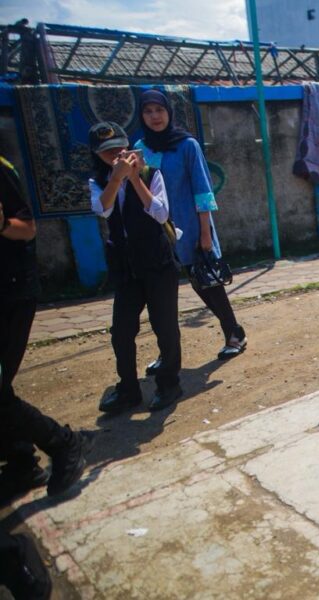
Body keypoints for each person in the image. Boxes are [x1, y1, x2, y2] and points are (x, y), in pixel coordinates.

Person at [135, 90, 247, 368]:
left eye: (159, 110)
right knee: (160, 295)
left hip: (190, 226)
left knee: (206, 284)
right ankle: (167, 353)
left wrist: (205, 233)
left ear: (169, 112)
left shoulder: (187, 145)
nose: (155, 117)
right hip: (155, 232)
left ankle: (234, 332)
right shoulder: (140, 148)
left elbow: (202, 189)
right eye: (148, 112)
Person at [1, 155, 90, 503]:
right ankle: (22, 462)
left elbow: (26, 227)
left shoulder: (2, 171)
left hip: (9, 292)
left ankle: (63, 443)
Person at [89, 122, 183, 412]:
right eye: (108, 152)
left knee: (164, 325)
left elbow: (160, 212)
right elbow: (102, 209)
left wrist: (133, 179)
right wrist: (116, 179)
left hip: (157, 261)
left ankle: (169, 383)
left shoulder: (151, 174)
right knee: (122, 330)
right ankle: (128, 389)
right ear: (97, 154)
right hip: (126, 266)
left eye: (120, 148)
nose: (116, 155)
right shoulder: (98, 181)